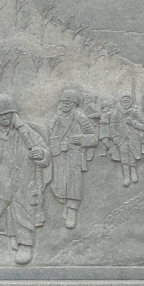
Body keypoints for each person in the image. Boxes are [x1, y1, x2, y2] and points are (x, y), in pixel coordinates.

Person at [0, 93, 50, 265]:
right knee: (5, 212)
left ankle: (26, 245)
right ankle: (12, 235)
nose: (5, 117)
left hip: (25, 182)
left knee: (25, 214)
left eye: (8, 113)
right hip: (2, 183)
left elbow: (44, 152)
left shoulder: (26, 132)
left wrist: (41, 154)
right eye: (1, 114)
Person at [47, 89, 98, 228]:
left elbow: (93, 138)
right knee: (58, 186)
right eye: (63, 102)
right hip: (58, 156)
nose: (65, 105)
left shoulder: (80, 117)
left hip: (75, 156)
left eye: (68, 102)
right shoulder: (55, 118)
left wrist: (80, 139)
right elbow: (47, 134)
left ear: (74, 104)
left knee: (74, 185)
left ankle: (72, 210)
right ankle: (65, 203)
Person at [109, 92, 144, 186]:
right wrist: (115, 138)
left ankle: (134, 172)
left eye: (128, 101)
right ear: (121, 102)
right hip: (121, 139)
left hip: (133, 138)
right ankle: (126, 176)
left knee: (132, 155)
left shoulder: (135, 113)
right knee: (124, 156)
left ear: (131, 102)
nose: (126, 103)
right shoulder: (115, 113)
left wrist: (133, 122)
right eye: (124, 101)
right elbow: (112, 127)